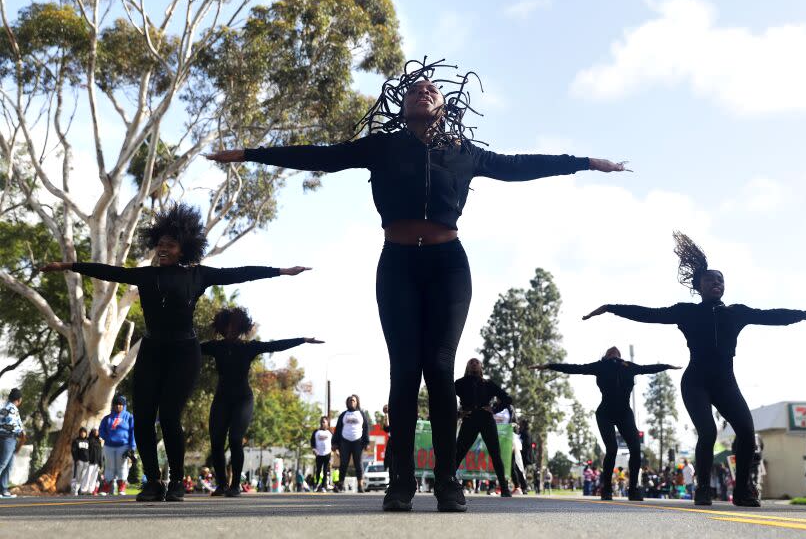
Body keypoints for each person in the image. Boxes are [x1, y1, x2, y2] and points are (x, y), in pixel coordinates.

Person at [205, 58, 629, 512]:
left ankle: (448, 481)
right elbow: (321, 155)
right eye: (414, 90)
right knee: (404, 373)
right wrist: (250, 154)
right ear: (402, 107)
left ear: (445, 108)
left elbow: (521, 164)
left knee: (440, 371)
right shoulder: (380, 148)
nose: (422, 90)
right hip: (398, 265)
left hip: (448, 267)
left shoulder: (465, 153)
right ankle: (400, 483)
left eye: (431, 89)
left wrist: (584, 163)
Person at [40, 203, 310, 502]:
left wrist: (281, 271)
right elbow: (108, 271)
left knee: (169, 415)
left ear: (184, 248)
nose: (162, 249)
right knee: (143, 417)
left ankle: (178, 480)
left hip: (184, 351)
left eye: (170, 244)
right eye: (160, 244)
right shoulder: (144, 276)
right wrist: (69, 266)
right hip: (153, 349)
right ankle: (153, 482)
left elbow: (240, 273)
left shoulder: (198, 276)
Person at [582, 231, 806, 507]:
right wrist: (611, 308)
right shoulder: (686, 312)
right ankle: (702, 489)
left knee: (747, 433)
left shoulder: (736, 312)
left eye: (721, 279)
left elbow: (771, 315)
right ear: (699, 285)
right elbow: (649, 314)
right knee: (708, 432)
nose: (717, 283)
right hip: (695, 382)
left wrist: (804, 315)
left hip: (725, 383)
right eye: (711, 279)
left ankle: (743, 490)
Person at [201, 306, 322, 497]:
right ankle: (222, 484)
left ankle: (235, 486)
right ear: (223, 327)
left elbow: (275, 345)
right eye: (228, 326)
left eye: (235, 326)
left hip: (243, 399)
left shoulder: (249, 347)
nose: (231, 330)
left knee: (234, 439)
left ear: (240, 327)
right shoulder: (216, 347)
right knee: (216, 441)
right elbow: (189, 346)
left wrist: (303, 340)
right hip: (222, 399)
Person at [531, 347, 679, 501]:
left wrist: (667, 366)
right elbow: (575, 368)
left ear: (621, 357)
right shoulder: (599, 366)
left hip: (624, 413)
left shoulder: (628, 366)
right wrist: (549, 366)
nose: (615, 353)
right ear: (606, 357)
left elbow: (648, 369)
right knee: (612, 449)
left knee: (635, 448)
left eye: (617, 353)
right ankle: (606, 488)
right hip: (605, 414)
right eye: (611, 353)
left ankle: (634, 489)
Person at [454, 358, 513, 497]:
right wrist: (459, 413)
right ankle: (446, 483)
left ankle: (504, 488)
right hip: (469, 419)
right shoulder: (460, 383)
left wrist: (494, 409)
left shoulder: (488, 384)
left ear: (481, 367)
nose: (474, 364)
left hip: (486, 419)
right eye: (471, 362)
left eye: (476, 362)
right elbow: (445, 397)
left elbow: (507, 399)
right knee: (458, 452)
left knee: (495, 454)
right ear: (467, 367)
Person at [98, 395, 136, 496]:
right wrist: (107, 437)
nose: (118, 406)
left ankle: (121, 488)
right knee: (109, 467)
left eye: (120, 404)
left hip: (123, 446)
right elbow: (101, 430)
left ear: (124, 406)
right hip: (109, 446)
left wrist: (132, 447)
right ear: (113, 406)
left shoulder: (129, 417)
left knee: (122, 466)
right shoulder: (107, 418)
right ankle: (106, 488)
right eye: (116, 404)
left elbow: (133, 432)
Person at [333, 395, 369, 493]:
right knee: (343, 463)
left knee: (358, 464)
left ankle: (360, 485)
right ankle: (340, 485)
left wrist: (366, 442)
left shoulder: (361, 414)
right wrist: (335, 443)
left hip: (358, 442)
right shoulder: (344, 414)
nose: (351, 402)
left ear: (357, 402)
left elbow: (366, 428)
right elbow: (338, 428)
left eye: (353, 400)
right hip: (344, 442)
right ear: (347, 403)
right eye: (350, 401)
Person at [0, 388, 25, 498]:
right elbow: (11, 425)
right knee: (3, 464)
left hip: (7, 438)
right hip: (8, 438)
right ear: (19, 399)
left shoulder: (5, 407)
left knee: (8, 465)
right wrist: (21, 432)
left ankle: (4, 490)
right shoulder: (11, 408)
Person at [310, 416, 333, 492]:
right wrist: (314, 449)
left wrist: (335, 451)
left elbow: (333, 443)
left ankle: (323, 486)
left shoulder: (329, 433)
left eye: (324, 422)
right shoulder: (316, 432)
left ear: (327, 423)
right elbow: (312, 441)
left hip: (327, 454)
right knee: (318, 470)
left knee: (325, 470)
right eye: (321, 422)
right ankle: (316, 484)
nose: (322, 423)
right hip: (319, 454)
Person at [83, 427, 103, 495]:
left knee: (94, 477)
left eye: (97, 431)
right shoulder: (88, 440)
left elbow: (100, 453)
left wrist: (101, 463)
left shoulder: (99, 441)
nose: (96, 433)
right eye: (95, 431)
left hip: (97, 462)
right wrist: (87, 459)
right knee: (87, 476)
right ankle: (84, 489)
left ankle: (91, 490)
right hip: (90, 462)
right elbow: (86, 451)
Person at [70, 427, 90, 496]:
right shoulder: (76, 441)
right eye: (81, 432)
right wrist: (76, 459)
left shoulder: (87, 441)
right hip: (79, 461)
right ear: (79, 433)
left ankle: (79, 490)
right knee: (77, 476)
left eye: (84, 432)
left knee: (83, 477)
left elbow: (89, 451)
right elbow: (73, 451)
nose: (83, 433)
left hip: (86, 462)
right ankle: (74, 490)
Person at [519, 420, 534, 494]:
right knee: (521, 472)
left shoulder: (525, 433)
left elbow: (526, 445)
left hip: (524, 457)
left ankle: (524, 487)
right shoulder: (524, 433)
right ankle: (524, 487)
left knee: (521, 471)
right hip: (524, 456)